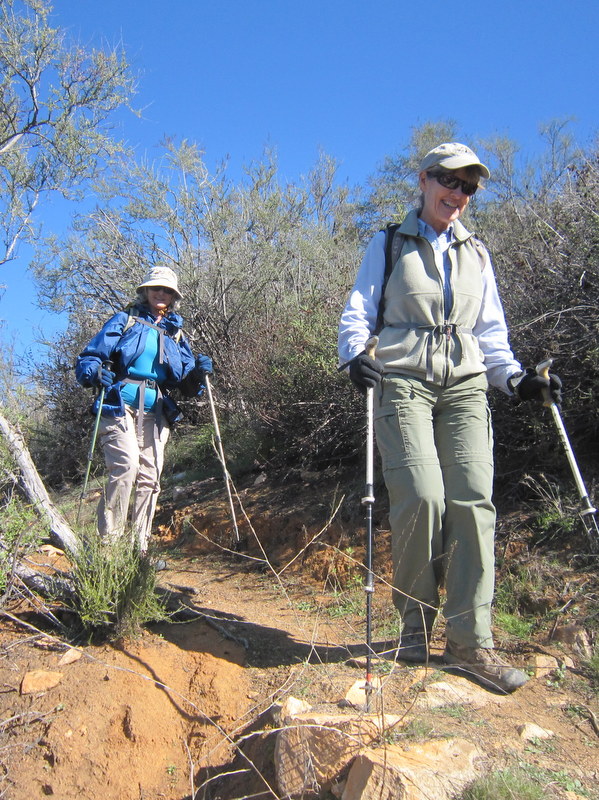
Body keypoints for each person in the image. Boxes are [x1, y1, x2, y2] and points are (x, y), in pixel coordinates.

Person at [338, 142, 562, 693]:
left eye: (469, 186)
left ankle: (469, 643)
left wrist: (518, 381)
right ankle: (414, 628)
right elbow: (359, 310)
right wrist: (354, 356)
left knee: (472, 502)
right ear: (424, 180)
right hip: (403, 380)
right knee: (422, 495)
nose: (458, 193)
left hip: (465, 384)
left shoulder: (477, 253)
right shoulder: (389, 242)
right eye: (448, 180)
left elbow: (490, 332)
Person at [76, 266, 212, 559]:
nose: (160, 293)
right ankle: (109, 548)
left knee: (150, 477)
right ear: (146, 291)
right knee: (126, 466)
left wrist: (198, 374)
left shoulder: (176, 333)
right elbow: (91, 356)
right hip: (119, 404)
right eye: (156, 288)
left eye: (166, 290)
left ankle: (139, 549)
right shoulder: (125, 320)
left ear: (173, 297)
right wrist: (94, 372)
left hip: (156, 411)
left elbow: (187, 384)